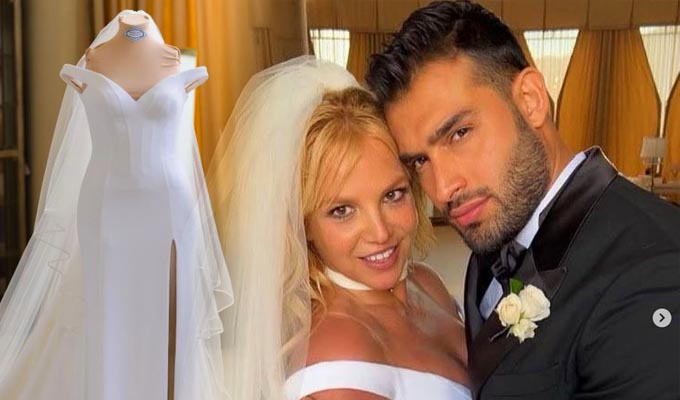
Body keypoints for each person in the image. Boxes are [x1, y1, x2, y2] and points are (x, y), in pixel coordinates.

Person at [365, 1, 680, 399]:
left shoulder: (657, 276)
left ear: (530, 99)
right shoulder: (495, 235)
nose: (443, 189)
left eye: (459, 134)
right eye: (420, 161)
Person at [207, 57, 471, 400]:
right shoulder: (337, 363)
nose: (379, 232)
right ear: (304, 224)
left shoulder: (426, 283)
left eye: (393, 195)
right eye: (342, 211)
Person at [0, 11, 232, 400]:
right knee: (108, 320)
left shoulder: (172, 60)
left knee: (172, 320)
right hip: (106, 208)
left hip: (169, 208)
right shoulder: (95, 60)